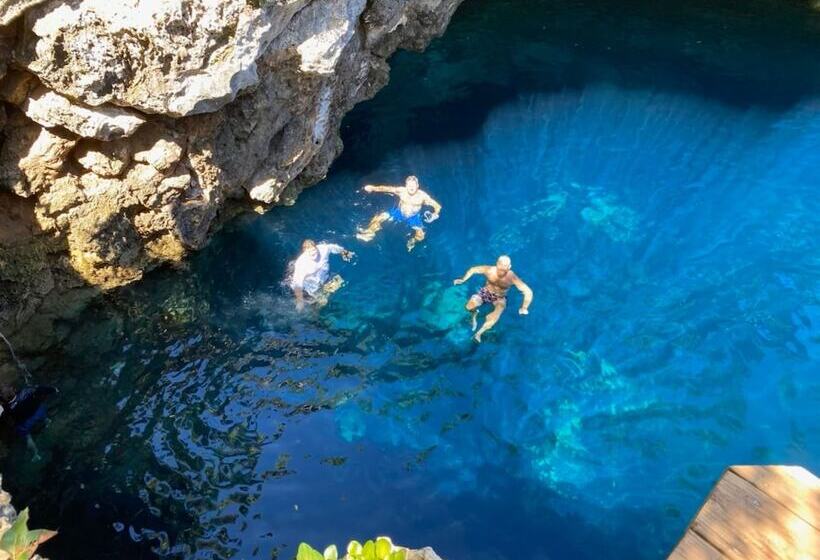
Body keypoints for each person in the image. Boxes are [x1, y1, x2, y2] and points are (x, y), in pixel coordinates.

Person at [453, 255, 533, 343]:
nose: (502, 269)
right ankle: (474, 313)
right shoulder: (489, 270)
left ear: (509, 267)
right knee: (468, 306)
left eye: (505, 266)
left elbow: (528, 291)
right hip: (486, 292)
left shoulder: (512, 278)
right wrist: (463, 279)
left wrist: (524, 307)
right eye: (501, 265)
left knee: (496, 314)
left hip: (499, 298)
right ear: (497, 264)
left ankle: (478, 334)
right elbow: (474, 269)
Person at [356, 175, 442, 251]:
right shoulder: (402, 191)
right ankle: (369, 233)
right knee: (379, 217)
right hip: (399, 213)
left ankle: (411, 242)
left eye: (413, 185)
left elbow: (437, 206)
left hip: (413, 217)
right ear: (406, 185)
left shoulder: (423, 196)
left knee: (421, 236)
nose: (411, 187)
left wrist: (434, 214)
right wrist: (373, 188)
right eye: (409, 185)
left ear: (417, 186)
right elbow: (386, 188)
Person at [290, 239, 354, 310]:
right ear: (305, 252)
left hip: (325, 279)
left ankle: (323, 296)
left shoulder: (323, 249)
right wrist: (300, 301)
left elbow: (332, 247)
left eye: (314, 250)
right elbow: (297, 284)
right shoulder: (301, 264)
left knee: (340, 281)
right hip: (312, 287)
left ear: (316, 247)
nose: (313, 253)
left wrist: (344, 252)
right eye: (309, 252)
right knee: (323, 302)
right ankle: (314, 315)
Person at [0, 384, 58, 461]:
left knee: (27, 437)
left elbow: (7, 418)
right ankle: (47, 421)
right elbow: (40, 389)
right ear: (14, 390)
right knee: (40, 407)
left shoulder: (7, 408)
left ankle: (36, 454)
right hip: (38, 413)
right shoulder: (26, 392)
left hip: (25, 424)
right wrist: (53, 389)